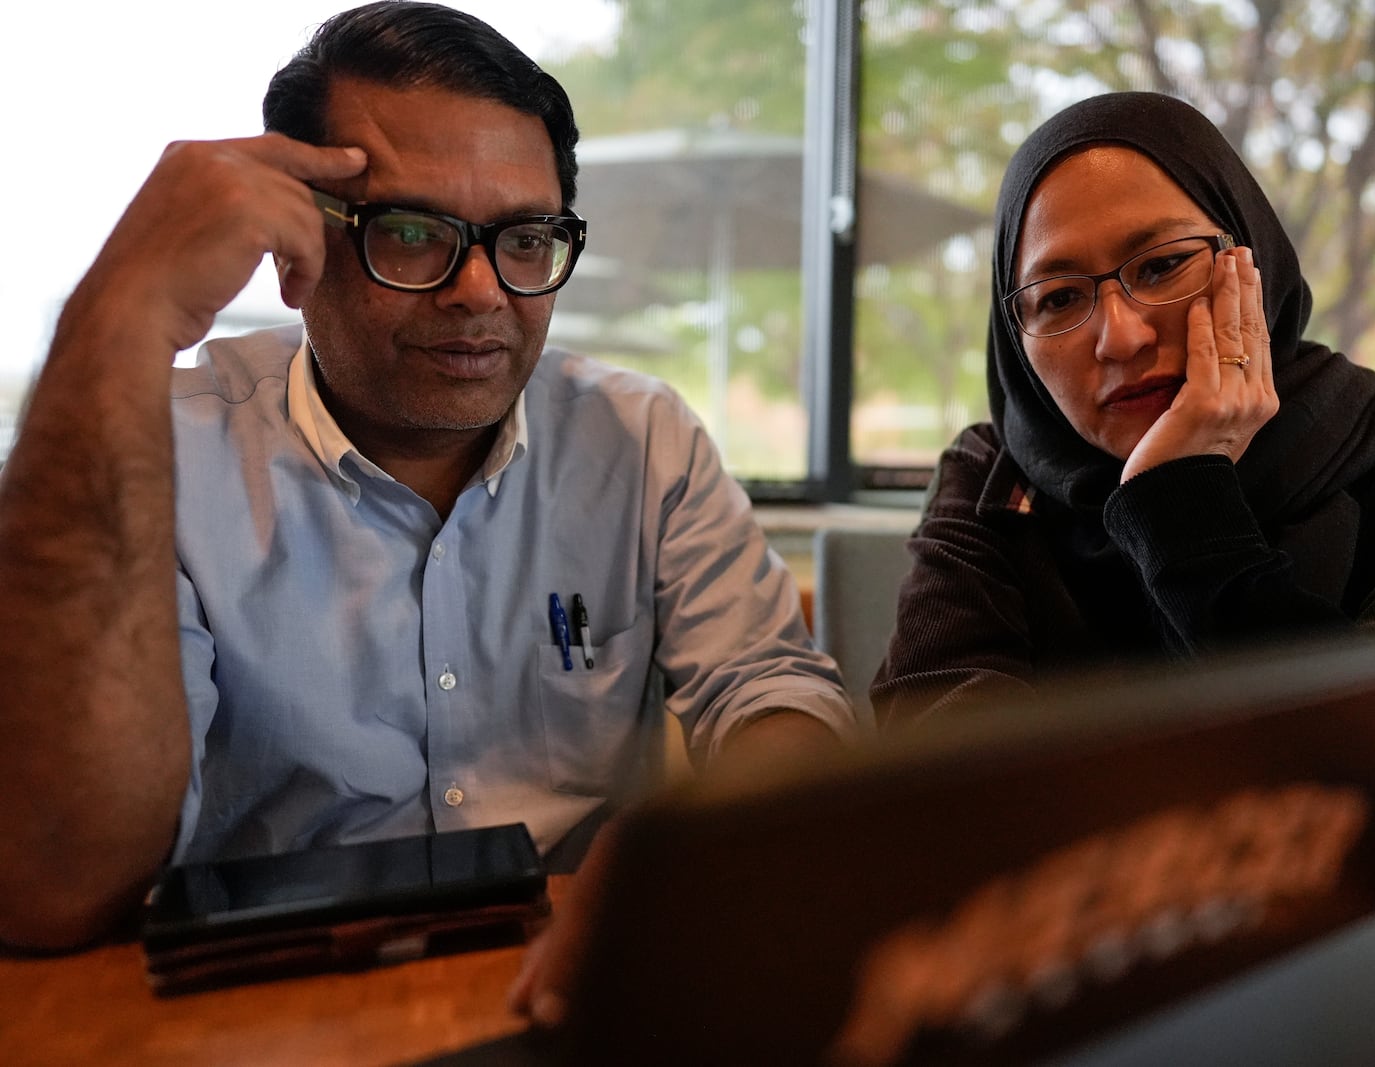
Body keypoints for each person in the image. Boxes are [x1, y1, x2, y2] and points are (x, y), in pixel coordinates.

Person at [0, 0, 853, 953]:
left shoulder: (639, 440)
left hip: (563, 972)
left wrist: (695, 841)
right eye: (413, 232)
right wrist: (120, 312)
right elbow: (57, 882)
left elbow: (770, 686)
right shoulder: (170, 456)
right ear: (294, 253)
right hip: (266, 997)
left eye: (526, 238)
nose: (482, 290)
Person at [868, 91, 1375, 1020]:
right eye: (1060, 297)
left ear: (1251, 255)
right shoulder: (996, 482)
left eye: (1162, 265)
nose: (1118, 336)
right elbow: (934, 787)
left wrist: (1183, 511)